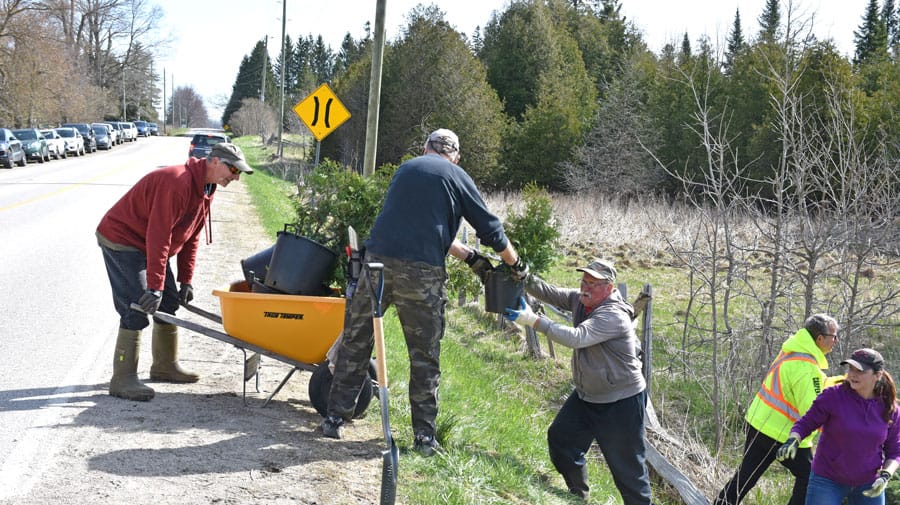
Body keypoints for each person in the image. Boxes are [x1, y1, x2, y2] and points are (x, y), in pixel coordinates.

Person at [321, 128, 527, 456]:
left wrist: (468, 256)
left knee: (356, 341)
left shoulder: (406, 169)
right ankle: (424, 438)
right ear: (455, 157)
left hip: (376, 263)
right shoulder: (457, 176)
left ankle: (334, 418)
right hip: (422, 273)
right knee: (424, 356)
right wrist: (516, 265)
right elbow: (491, 230)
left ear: (425, 148)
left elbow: (421, 228)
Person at [96, 142, 253, 401]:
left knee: (169, 302)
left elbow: (191, 236)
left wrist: (185, 280)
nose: (235, 178)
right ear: (215, 161)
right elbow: (158, 235)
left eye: (239, 173)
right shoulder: (177, 182)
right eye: (234, 170)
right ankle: (122, 379)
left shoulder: (206, 188)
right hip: (123, 239)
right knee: (138, 305)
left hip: (146, 243)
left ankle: (164, 366)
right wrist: (154, 286)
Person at [504, 258, 651, 504]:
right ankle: (578, 496)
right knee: (562, 441)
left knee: (628, 472)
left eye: (593, 283)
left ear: (609, 288)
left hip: (621, 401)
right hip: (587, 395)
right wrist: (523, 276)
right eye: (584, 281)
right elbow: (549, 292)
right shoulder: (581, 300)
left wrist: (533, 320)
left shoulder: (613, 315)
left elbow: (577, 337)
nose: (586, 287)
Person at [714, 313, 840, 505]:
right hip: (783, 435)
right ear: (820, 338)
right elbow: (814, 410)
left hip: (759, 423)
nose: (836, 341)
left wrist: (835, 383)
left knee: (745, 478)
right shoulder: (807, 368)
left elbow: (805, 387)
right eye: (834, 336)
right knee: (809, 477)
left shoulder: (793, 350)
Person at [777, 348, 900, 504]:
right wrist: (793, 439)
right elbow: (806, 423)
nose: (852, 374)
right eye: (851, 369)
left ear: (878, 375)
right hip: (827, 479)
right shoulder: (833, 396)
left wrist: (885, 475)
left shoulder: (889, 408)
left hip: (869, 481)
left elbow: (895, 451)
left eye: (860, 371)